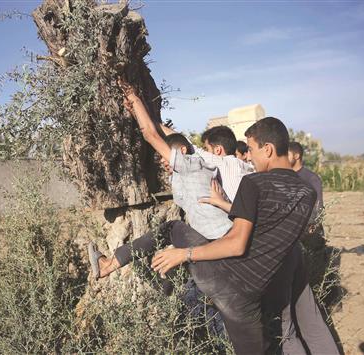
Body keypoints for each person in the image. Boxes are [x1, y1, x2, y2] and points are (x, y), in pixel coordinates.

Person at [147, 117, 338, 354]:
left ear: (267, 149)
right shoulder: (307, 192)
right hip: (276, 270)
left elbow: (236, 244)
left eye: (251, 149)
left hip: (240, 283)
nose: (248, 156)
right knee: (291, 332)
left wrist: (184, 254)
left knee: (174, 232)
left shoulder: (254, 183)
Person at [88, 81, 232, 282]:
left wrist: (135, 99)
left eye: (165, 157)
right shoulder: (191, 168)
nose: (163, 162)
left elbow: (151, 135)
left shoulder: (192, 164)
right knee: (166, 270)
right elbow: (171, 136)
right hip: (211, 237)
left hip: (218, 239)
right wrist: (138, 114)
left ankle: (109, 265)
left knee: (170, 228)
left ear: (181, 152)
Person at [288, 141, 324, 224]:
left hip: (307, 229)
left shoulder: (311, 178)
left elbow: (318, 206)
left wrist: (311, 225)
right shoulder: (286, 176)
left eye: (287, 155)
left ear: (296, 156)